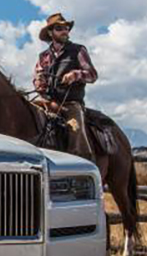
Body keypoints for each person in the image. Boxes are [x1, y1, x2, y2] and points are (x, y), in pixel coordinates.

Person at [32, 12, 98, 162]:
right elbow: (37, 77)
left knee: (76, 130)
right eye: (59, 28)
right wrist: (39, 83)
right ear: (50, 32)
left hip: (70, 104)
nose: (64, 31)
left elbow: (92, 75)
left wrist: (76, 74)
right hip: (47, 102)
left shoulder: (78, 50)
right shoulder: (43, 57)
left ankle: (82, 164)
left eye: (66, 27)